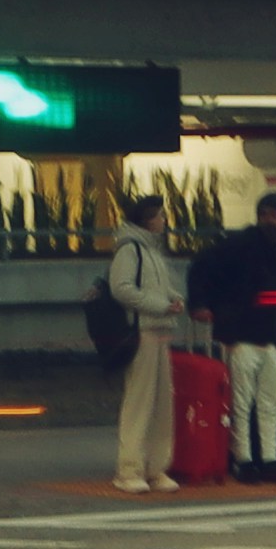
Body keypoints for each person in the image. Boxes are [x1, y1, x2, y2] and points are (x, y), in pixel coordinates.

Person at [192, 191, 276, 482]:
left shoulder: (244, 246)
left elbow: (202, 266)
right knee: (260, 402)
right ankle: (255, 459)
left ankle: (255, 459)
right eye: (267, 214)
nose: (271, 220)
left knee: (250, 402)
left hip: (250, 334)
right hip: (248, 335)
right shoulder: (272, 249)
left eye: (275, 215)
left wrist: (202, 304)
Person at [92, 200, 188, 493]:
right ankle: (129, 469)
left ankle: (156, 468)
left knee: (160, 404)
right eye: (160, 215)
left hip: (157, 331)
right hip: (143, 331)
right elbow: (121, 288)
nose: (163, 220)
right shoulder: (130, 249)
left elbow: (151, 287)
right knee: (140, 402)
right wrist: (163, 305)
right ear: (148, 220)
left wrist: (173, 298)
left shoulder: (148, 250)